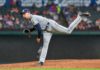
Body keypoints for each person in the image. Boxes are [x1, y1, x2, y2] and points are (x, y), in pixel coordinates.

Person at [20, 9, 90, 66]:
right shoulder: (32, 19)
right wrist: (30, 30)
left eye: (24, 13)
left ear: (28, 13)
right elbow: (37, 27)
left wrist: (38, 37)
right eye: (22, 14)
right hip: (46, 31)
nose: (23, 15)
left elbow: (38, 28)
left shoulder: (33, 17)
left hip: (50, 25)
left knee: (68, 31)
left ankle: (80, 17)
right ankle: (41, 62)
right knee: (45, 46)